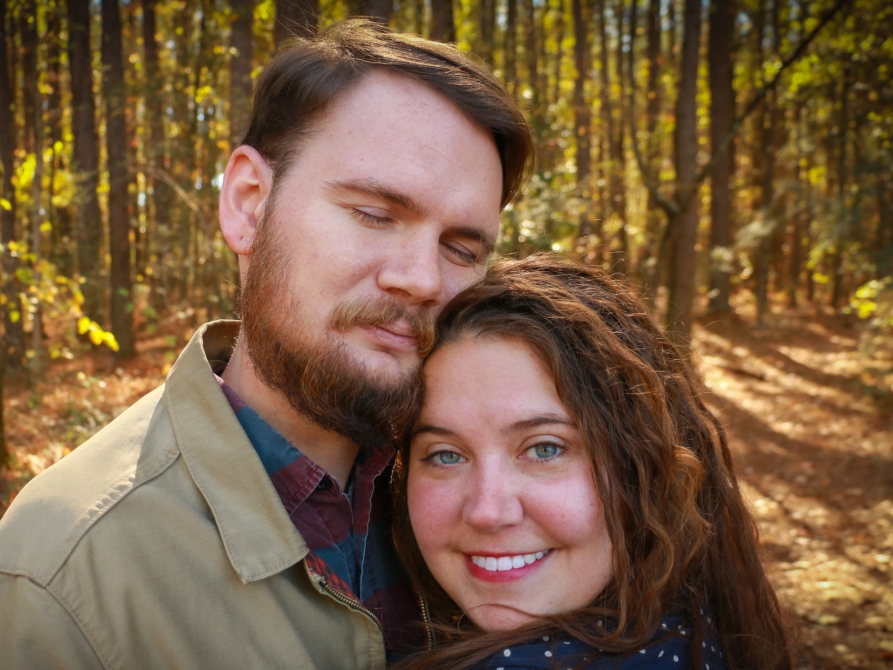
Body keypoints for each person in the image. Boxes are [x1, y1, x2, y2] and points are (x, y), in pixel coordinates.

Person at [0, 21, 532, 670]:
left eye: (461, 249)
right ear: (248, 204)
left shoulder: (499, 501)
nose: (423, 279)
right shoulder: (61, 581)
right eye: (374, 214)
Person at [390, 255, 794, 670]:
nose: (487, 512)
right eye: (446, 455)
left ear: (644, 466)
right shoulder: (696, 628)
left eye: (545, 449)